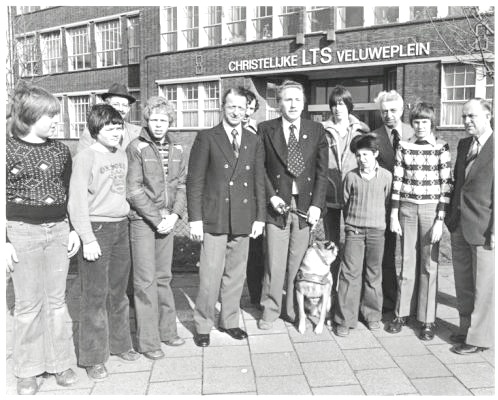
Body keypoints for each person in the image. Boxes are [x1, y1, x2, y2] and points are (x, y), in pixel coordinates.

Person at [5, 82, 80, 395]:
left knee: (56, 303)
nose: (55, 121)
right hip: (21, 233)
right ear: (30, 116)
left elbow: (70, 193)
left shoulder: (61, 150)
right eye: (49, 115)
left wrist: (74, 228)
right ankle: (28, 371)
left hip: (58, 231)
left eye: (55, 115)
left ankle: (59, 363)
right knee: (27, 305)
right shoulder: (6, 149)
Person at [187, 87, 266, 347]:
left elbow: (258, 182)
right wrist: (195, 218)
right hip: (214, 216)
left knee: (235, 274)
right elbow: (195, 181)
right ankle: (202, 325)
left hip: (243, 216)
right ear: (223, 106)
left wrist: (259, 218)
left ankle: (230, 321)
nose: (235, 112)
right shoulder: (207, 137)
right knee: (210, 274)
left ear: (247, 111)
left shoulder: (253, 141)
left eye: (241, 108)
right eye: (231, 106)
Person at [68, 104, 139, 381]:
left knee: (119, 293)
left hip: (120, 228)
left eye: (119, 127)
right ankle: (93, 357)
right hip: (97, 230)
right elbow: (76, 202)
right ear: (95, 130)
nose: (115, 132)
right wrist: (87, 238)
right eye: (109, 127)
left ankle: (121, 344)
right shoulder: (85, 157)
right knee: (94, 296)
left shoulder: (121, 154)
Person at [258, 80, 328, 330]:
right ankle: (270, 308)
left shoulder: (316, 130)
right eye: (287, 100)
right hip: (278, 205)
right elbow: (260, 169)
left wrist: (317, 205)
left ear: (304, 103)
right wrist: (271, 196)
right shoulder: (265, 129)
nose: (293, 104)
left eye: (297, 100)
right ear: (279, 104)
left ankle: (292, 309)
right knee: (274, 261)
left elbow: (322, 172)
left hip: (304, 206)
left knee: (297, 262)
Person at [126, 96, 187, 360]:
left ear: (170, 121)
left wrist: (175, 215)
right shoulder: (136, 147)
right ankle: (148, 342)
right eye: (153, 119)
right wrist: (156, 218)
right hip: (142, 221)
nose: (158, 125)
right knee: (145, 280)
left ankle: (167, 331)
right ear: (146, 120)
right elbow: (133, 189)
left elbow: (182, 185)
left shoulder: (178, 149)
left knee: (164, 277)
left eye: (163, 120)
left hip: (167, 221)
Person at [387, 102, 453, 340]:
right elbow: (397, 180)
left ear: (431, 123)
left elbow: (446, 186)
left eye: (425, 122)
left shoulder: (441, 147)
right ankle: (401, 313)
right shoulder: (404, 146)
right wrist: (394, 213)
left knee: (429, 264)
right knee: (406, 262)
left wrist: (439, 220)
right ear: (411, 124)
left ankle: (427, 319)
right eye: (416, 122)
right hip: (406, 208)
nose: (421, 126)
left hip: (430, 210)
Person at [445, 98, 494, 354]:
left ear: (488, 114)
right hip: (459, 224)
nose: (466, 122)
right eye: (464, 117)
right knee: (463, 282)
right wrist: (449, 218)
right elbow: (458, 184)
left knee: (483, 286)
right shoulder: (464, 145)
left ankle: (479, 339)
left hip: (485, 227)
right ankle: (466, 328)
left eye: (471, 116)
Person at [334, 134, 392, 336]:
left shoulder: (386, 177)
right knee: (350, 273)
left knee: (373, 273)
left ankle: (372, 315)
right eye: (358, 155)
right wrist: (352, 225)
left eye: (366, 154)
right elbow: (346, 202)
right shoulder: (351, 177)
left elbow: (386, 202)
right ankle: (345, 319)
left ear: (375, 154)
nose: (362, 159)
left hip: (377, 232)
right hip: (354, 231)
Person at [321, 85, 370, 288]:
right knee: (331, 242)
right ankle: (331, 287)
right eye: (334, 104)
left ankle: (350, 289)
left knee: (353, 243)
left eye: (341, 104)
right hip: (329, 194)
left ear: (349, 106)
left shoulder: (362, 130)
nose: (337, 109)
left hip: (353, 195)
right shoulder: (322, 130)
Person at [371, 90, 414, 312]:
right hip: (384, 204)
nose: (388, 115)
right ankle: (389, 299)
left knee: (411, 253)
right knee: (386, 253)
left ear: (402, 109)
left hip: (411, 203)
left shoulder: (414, 132)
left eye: (393, 110)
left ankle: (411, 302)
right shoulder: (374, 137)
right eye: (384, 111)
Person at [242, 88, 264, 306]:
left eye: (251, 108)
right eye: (244, 106)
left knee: (257, 249)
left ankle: (257, 295)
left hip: (256, 196)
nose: (247, 112)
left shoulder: (259, 130)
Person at [76, 83, 141, 152]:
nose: (121, 109)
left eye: (124, 105)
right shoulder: (91, 131)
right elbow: (82, 159)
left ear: (128, 108)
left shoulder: (138, 132)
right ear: (107, 106)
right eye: (116, 104)